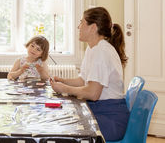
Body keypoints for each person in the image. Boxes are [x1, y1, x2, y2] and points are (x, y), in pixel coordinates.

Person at [50, 7, 129, 141]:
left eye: (82, 22)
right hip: (100, 111)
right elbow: (83, 81)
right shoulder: (93, 49)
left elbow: (93, 93)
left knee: (63, 128)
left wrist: (64, 89)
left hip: (110, 119)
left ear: (93, 27)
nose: (79, 27)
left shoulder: (102, 52)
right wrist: (62, 81)